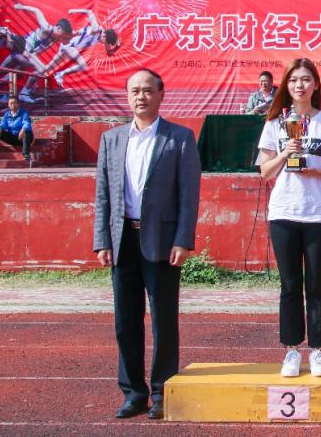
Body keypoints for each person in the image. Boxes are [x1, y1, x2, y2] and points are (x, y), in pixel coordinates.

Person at [92, 68, 201, 420]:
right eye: (135, 91)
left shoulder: (179, 138)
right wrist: (102, 240)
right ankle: (133, 393)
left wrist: (183, 239)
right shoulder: (111, 139)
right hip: (122, 239)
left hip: (163, 241)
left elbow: (189, 195)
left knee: (164, 320)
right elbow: (103, 195)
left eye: (148, 90)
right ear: (127, 96)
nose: (141, 96)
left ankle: (161, 391)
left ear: (161, 94)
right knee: (126, 321)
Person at [257, 58, 321, 378]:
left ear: (316, 85)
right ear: (286, 85)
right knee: (289, 285)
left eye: (306, 79)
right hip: (283, 213)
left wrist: (317, 171)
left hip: (318, 215)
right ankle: (291, 350)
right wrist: (286, 152)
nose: (300, 85)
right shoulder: (274, 124)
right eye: (294, 80)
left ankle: (319, 350)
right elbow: (265, 172)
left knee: (316, 284)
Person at [42, 8, 121, 88]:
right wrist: (74, 11)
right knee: (83, 65)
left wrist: (117, 43)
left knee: (49, 67)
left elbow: (108, 47)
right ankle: (60, 74)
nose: (103, 43)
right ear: (104, 36)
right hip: (70, 46)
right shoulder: (96, 29)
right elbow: (89, 12)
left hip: (66, 46)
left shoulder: (104, 35)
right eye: (105, 42)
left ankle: (36, 80)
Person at [0, 95, 33, 162]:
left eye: (15, 103)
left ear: (18, 104)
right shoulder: (7, 114)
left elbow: (27, 123)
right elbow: (3, 124)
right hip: (13, 138)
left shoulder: (24, 113)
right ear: (8, 105)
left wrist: (23, 129)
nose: (13, 105)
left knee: (26, 132)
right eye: (11, 103)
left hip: (24, 138)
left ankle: (26, 155)